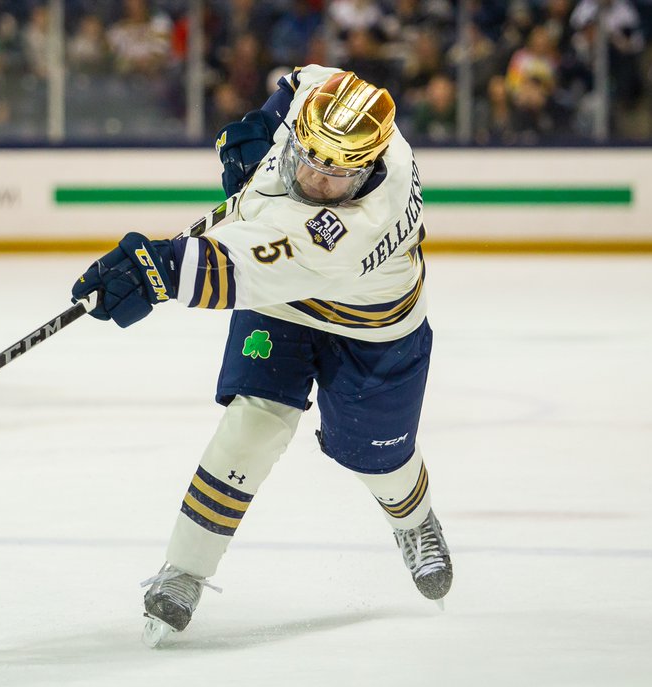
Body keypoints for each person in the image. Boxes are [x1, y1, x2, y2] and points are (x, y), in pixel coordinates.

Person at [69, 66, 452, 648]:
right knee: (252, 425)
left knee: (376, 457)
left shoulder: (352, 228)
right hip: (283, 308)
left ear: (368, 168)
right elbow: (299, 80)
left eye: (334, 175)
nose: (312, 177)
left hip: (373, 332)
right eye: (306, 156)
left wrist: (153, 270)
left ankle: (413, 521)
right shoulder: (340, 109)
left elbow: (232, 270)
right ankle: (184, 570)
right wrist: (264, 120)